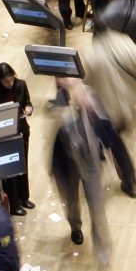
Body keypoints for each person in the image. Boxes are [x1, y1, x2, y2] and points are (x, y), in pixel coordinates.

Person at [82, 18, 136, 198]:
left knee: (114, 144)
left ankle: (128, 181)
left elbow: (87, 82)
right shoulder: (124, 42)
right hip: (126, 105)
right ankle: (128, 181)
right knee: (114, 142)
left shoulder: (92, 54)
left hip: (106, 110)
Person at [50, 78, 111, 257]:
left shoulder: (91, 98)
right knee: (71, 201)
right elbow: (60, 137)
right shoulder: (60, 106)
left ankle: (102, 250)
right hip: (67, 165)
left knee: (97, 206)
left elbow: (105, 126)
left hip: (90, 162)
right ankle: (75, 226)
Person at [0, 63, 34, 212]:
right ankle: (14, 204)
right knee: (11, 170)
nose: (10, 83)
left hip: (21, 131)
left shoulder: (21, 85)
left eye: (11, 79)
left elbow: (27, 102)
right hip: (4, 136)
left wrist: (29, 108)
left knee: (22, 166)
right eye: (6, 81)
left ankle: (24, 197)